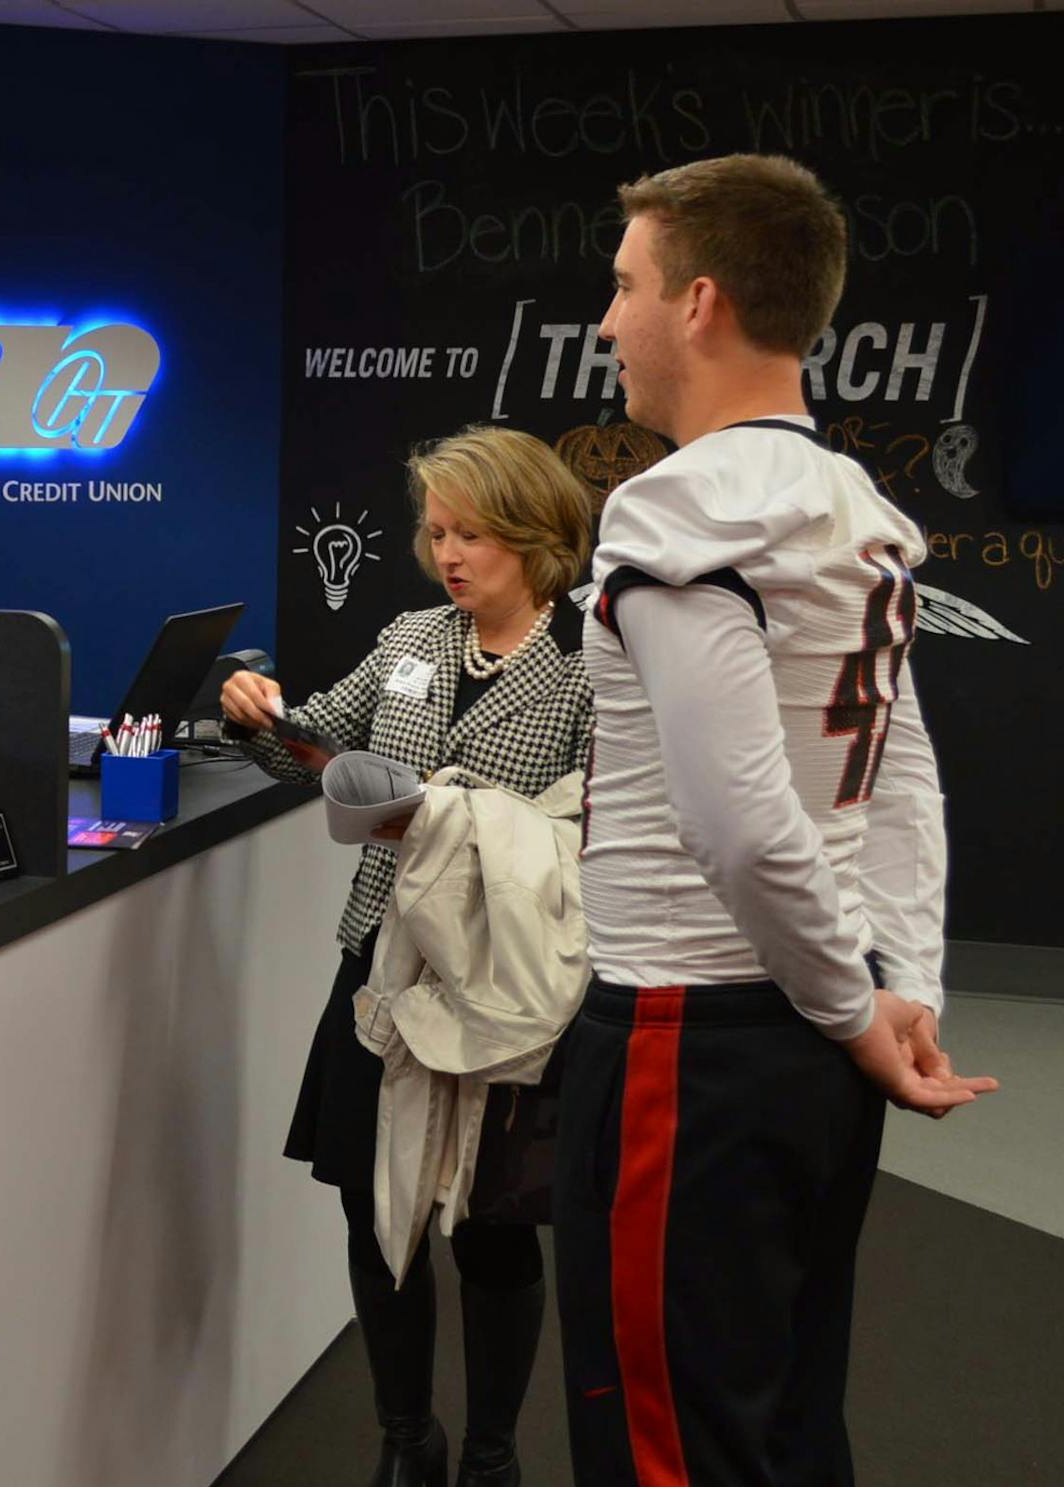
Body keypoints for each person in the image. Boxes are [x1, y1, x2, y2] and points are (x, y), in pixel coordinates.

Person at [559, 153, 998, 1487]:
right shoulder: (854, 509)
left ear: (699, 302)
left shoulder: (684, 502)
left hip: (689, 1038)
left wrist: (866, 1007)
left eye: (625, 285)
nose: (607, 320)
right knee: (784, 1422)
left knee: (673, 1446)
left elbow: (742, 824)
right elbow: (902, 776)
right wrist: (896, 985)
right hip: (805, 1034)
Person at [222, 426, 598, 1487]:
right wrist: (254, 712)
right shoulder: (409, 638)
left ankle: (490, 1453)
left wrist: (467, 824)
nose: (449, 555)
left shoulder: (589, 667)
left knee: (489, 1224)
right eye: (436, 533)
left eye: (471, 533)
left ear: (536, 532)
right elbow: (314, 747)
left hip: (502, 978)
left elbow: (600, 830)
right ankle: (406, 1438)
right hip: (380, 965)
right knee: (369, 1202)